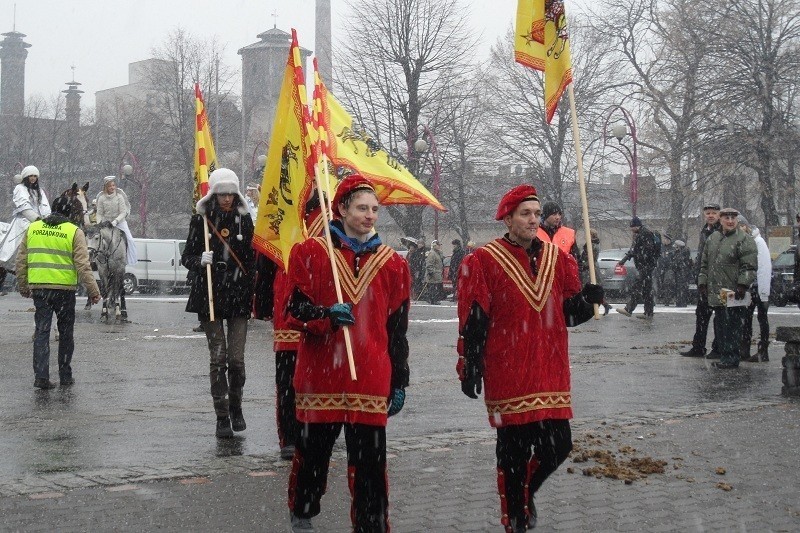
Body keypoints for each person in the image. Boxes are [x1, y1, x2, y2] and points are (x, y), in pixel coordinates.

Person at [456, 184, 602, 533]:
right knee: (513, 453)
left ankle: (525, 493)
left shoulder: (559, 259)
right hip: (507, 366)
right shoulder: (483, 260)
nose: (533, 219)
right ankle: (516, 520)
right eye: (525, 213)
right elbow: (474, 319)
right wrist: (470, 364)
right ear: (507, 218)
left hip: (549, 367)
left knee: (559, 445)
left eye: (536, 214)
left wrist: (589, 301)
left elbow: (568, 315)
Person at [284, 174, 410, 533]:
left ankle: (371, 525)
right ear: (340, 209)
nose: (370, 215)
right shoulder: (311, 253)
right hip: (321, 374)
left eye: (374, 209)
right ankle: (303, 511)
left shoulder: (393, 264)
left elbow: (397, 331)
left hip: (370, 375)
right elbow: (293, 310)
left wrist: (399, 379)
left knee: (370, 464)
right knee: (313, 456)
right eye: (361, 208)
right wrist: (325, 316)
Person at [182, 168, 255, 438]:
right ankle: (221, 415)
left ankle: (236, 406)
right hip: (209, 293)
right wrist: (200, 260)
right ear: (214, 193)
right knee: (218, 357)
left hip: (237, 293)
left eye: (230, 193)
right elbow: (186, 257)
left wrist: (253, 291)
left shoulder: (245, 221)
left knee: (236, 360)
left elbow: (251, 260)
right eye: (221, 193)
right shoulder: (200, 220)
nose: (226, 198)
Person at [15, 195, 101, 389]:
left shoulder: (33, 228)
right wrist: (93, 291)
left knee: (42, 332)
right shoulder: (74, 232)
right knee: (65, 334)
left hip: (41, 290)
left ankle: (41, 377)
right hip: (64, 291)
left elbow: (21, 261)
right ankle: (65, 375)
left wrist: (23, 285)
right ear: (70, 213)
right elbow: (83, 265)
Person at [698, 207, 757, 369]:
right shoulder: (713, 238)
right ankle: (724, 355)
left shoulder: (744, 239)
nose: (730, 221)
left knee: (732, 326)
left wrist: (742, 285)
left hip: (734, 293)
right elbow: (704, 264)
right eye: (727, 218)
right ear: (721, 220)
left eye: (733, 218)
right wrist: (702, 282)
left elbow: (749, 266)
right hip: (717, 292)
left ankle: (731, 357)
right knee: (721, 325)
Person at [0, 165, 51, 272]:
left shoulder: (39, 191)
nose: (33, 178)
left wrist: (47, 219)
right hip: (23, 222)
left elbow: (45, 206)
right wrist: (36, 219)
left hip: (40, 222)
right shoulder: (20, 188)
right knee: (18, 246)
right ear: (25, 177)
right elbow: (23, 205)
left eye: (35, 176)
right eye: (30, 176)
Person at [738, 216, 771, 362]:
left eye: (740, 226)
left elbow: (763, 267)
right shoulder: (747, 241)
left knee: (761, 318)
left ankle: (763, 351)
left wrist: (763, 291)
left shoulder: (758, 242)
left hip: (758, 287)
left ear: (745, 226)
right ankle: (745, 350)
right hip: (751, 287)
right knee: (747, 319)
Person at [616, 217, 659, 318]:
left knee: (637, 287)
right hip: (645, 266)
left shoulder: (645, 234)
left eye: (632, 227)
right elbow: (635, 250)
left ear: (636, 226)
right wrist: (625, 259)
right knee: (647, 290)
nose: (631, 229)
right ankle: (648, 313)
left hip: (645, 266)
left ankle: (629, 309)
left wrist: (637, 255)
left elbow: (646, 250)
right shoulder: (641, 234)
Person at [95, 176, 137, 266]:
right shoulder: (102, 198)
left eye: (113, 185)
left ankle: (128, 259)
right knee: (96, 238)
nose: (112, 188)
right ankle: (96, 259)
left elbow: (123, 212)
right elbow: (99, 213)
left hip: (120, 222)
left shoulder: (119, 197)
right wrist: (99, 223)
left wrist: (116, 221)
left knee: (130, 239)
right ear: (106, 187)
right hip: (106, 223)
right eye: (110, 186)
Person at [579, 228, 612, 315]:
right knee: (591, 290)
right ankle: (604, 305)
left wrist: (583, 265)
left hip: (590, 269)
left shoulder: (592, 245)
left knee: (588, 289)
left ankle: (590, 308)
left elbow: (591, 258)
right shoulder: (593, 244)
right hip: (590, 268)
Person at [671, 239, 692, 307]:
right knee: (679, 288)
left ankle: (681, 302)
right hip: (680, 273)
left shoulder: (682, 254)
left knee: (681, 288)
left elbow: (677, 263)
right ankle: (680, 302)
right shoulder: (679, 253)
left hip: (682, 273)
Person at [656, 233, 675, 305]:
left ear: (669, 240)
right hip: (661, 268)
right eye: (664, 239)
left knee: (667, 283)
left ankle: (667, 299)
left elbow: (672, 259)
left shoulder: (672, 248)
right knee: (661, 283)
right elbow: (660, 257)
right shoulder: (662, 248)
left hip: (669, 268)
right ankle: (663, 297)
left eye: (666, 239)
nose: (665, 241)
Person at [425, 239, 445, 304]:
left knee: (436, 288)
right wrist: (431, 272)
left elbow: (441, 260)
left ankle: (434, 300)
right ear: (434, 246)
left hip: (437, 274)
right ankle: (432, 300)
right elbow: (429, 264)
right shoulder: (432, 253)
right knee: (433, 288)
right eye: (438, 245)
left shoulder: (438, 253)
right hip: (433, 275)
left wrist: (441, 253)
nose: (439, 246)